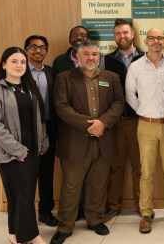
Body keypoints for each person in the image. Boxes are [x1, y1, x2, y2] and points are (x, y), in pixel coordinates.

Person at [50, 41, 125, 244]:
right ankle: (65, 226)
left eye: (94, 53)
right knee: (71, 186)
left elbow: (119, 102)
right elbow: (62, 107)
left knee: (98, 183)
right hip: (76, 140)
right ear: (77, 55)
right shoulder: (64, 78)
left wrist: (103, 123)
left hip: (103, 139)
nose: (91, 57)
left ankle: (94, 219)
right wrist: (90, 125)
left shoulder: (111, 77)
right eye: (86, 54)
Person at [0, 47, 49, 244]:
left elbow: (39, 119)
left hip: (33, 151)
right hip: (11, 154)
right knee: (22, 195)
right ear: (4, 64)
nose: (19, 65)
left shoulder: (29, 88)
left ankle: (14, 236)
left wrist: (43, 141)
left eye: (22, 62)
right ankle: (32, 236)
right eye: (14, 61)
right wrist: (18, 150)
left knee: (21, 196)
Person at [126, 28, 164, 233]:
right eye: (151, 38)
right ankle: (146, 213)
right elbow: (130, 94)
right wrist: (143, 111)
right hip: (146, 125)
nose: (156, 41)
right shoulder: (136, 66)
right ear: (146, 42)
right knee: (146, 172)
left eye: (159, 38)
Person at [99, 19, 145, 222]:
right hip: (114, 123)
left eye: (125, 32)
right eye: (118, 33)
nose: (122, 36)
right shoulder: (105, 60)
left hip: (139, 121)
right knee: (114, 167)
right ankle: (113, 206)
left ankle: (143, 206)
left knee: (140, 167)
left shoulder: (145, 58)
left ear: (133, 34)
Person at [52, 25, 90, 220]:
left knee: (91, 176)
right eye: (74, 35)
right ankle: (69, 215)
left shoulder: (95, 60)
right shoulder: (60, 61)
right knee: (71, 176)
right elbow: (58, 97)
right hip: (68, 125)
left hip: (93, 127)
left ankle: (87, 210)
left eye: (82, 35)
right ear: (70, 40)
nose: (78, 38)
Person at [24, 35, 58, 227]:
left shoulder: (52, 72)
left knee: (47, 172)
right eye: (34, 47)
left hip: (48, 128)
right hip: (26, 130)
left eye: (42, 47)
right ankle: (25, 212)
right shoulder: (19, 72)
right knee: (26, 173)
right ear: (26, 50)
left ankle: (45, 211)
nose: (38, 51)